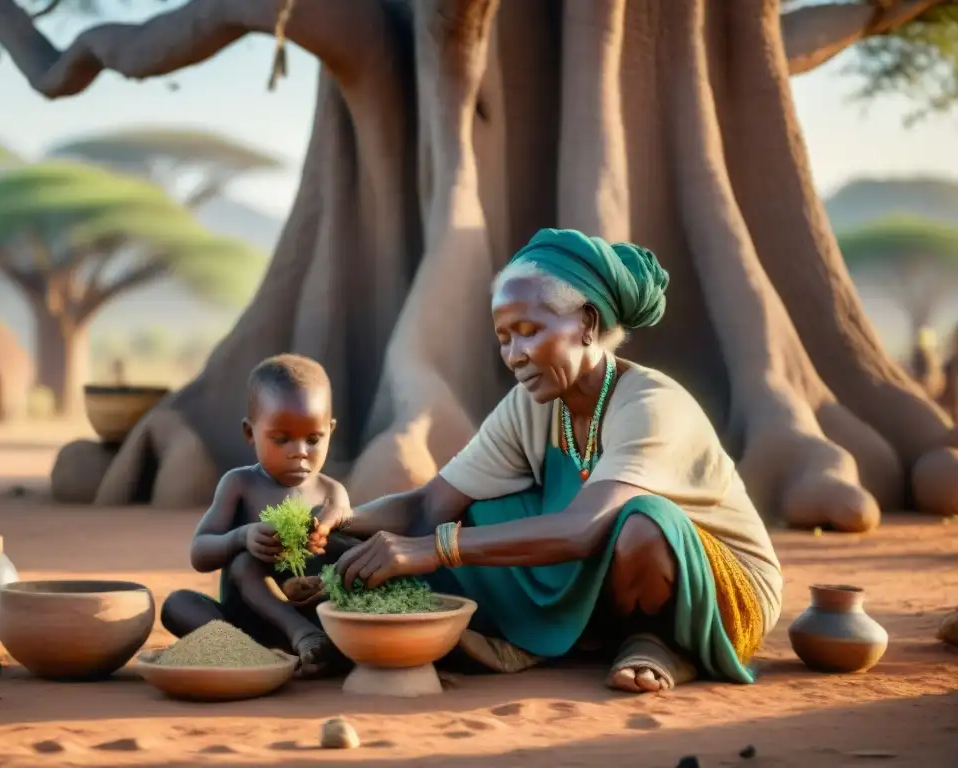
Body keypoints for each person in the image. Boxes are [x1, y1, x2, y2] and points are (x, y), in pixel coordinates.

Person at [307, 228, 783, 693]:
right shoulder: (532, 404)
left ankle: (656, 641)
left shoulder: (652, 405)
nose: (514, 355)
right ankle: (553, 635)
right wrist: (339, 523)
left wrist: (434, 549)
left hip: (721, 592)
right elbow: (428, 505)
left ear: (588, 325)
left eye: (529, 331)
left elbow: (581, 529)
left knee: (643, 523)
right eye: (504, 337)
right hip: (601, 578)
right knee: (473, 513)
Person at [160, 354, 353, 677]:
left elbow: (349, 550)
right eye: (281, 439)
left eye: (313, 438)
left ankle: (308, 646)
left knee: (355, 567)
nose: (300, 450)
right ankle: (266, 653)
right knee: (180, 603)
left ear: (330, 430)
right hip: (243, 626)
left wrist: (330, 534)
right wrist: (241, 536)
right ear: (250, 433)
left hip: (312, 617)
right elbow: (200, 553)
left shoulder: (333, 494)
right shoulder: (240, 484)